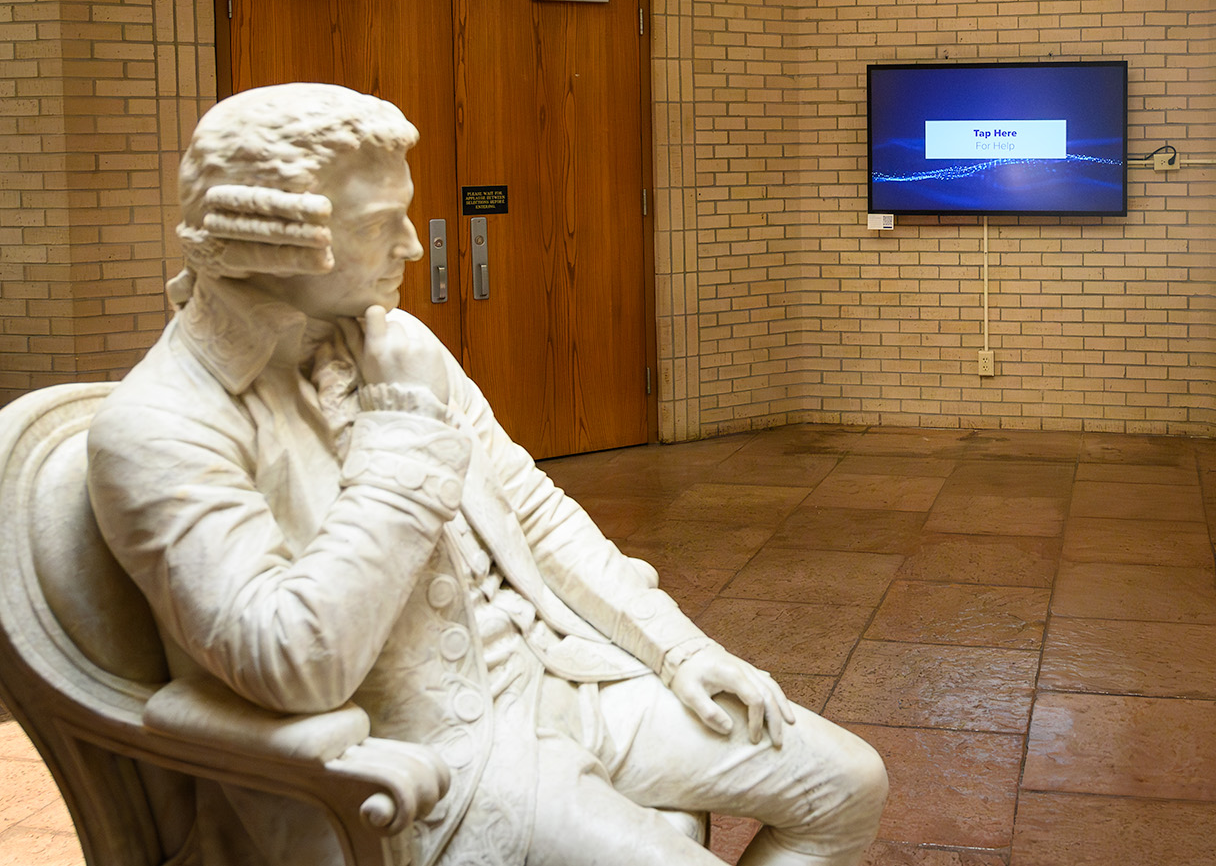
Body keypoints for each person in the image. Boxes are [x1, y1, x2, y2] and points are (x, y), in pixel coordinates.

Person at [87, 83, 887, 866]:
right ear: (274, 240)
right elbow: (296, 661)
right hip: (422, 760)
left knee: (849, 783)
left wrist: (679, 648)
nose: (409, 244)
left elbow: (534, 511)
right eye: (379, 225)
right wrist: (402, 430)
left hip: (559, 681)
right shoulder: (160, 423)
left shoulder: (396, 341)